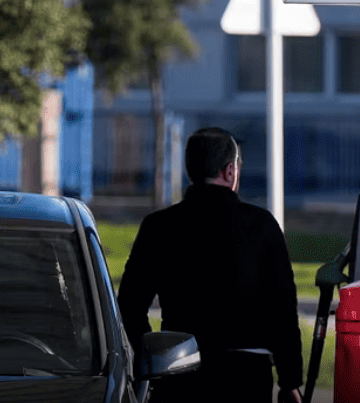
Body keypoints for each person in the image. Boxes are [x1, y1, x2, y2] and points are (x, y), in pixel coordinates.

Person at [118, 127, 304, 403]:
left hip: (180, 374)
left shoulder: (159, 227)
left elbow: (129, 306)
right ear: (230, 171)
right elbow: (283, 311)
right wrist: (290, 381)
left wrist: (153, 360)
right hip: (246, 378)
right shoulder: (261, 226)